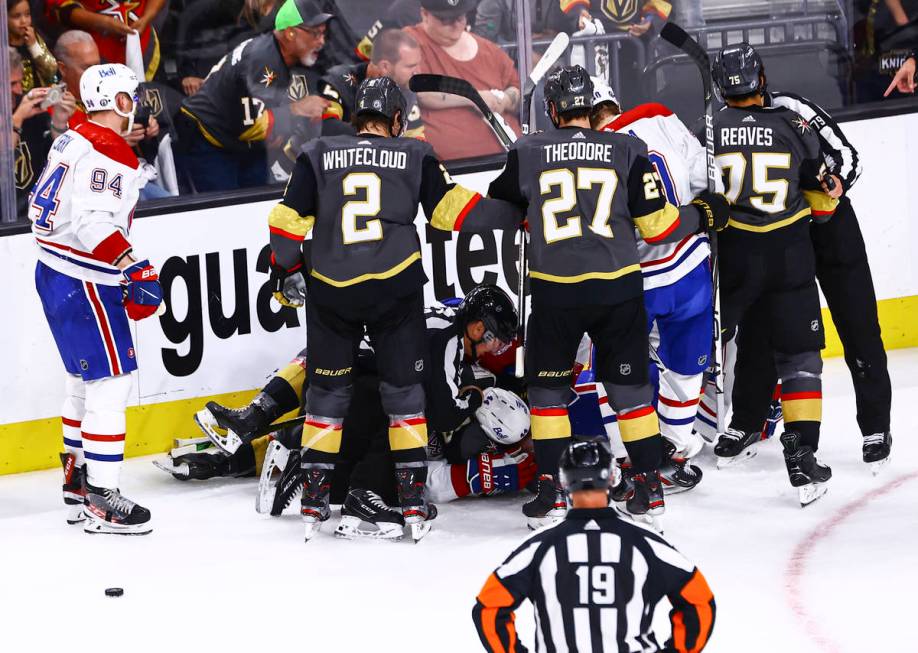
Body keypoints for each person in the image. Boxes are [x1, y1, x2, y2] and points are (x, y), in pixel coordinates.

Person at [266, 76, 522, 541]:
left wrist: (286, 269)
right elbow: (453, 212)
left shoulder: (316, 154)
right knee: (405, 398)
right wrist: (514, 215)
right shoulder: (415, 153)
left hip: (331, 290)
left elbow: (285, 227)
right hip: (394, 288)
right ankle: (410, 504)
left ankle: (314, 501)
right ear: (398, 119)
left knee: (327, 397)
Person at [484, 65, 729, 528]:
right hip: (618, 289)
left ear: (553, 110)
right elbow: (657, 225)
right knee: (631, 391)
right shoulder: (628, 147)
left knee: (548, 395)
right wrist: (702, 214)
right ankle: (649, 490)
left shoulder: (529, 151)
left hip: (557, 294)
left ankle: (553, 495)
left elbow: (502, 210)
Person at [709, 43, 893, 476]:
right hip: (782, 238)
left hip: (829, 230)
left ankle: (876, 427)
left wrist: (835, 182)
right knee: (760, 328)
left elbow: (848, 157)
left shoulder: (792, 110)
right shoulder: (723, 124)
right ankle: (748, 422)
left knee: (858, 323)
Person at [29, 63, 163, 535]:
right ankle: (102, 498)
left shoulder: (74, 135)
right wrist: (132, 265)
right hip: (85, 280)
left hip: (52, 271)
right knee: (111, 382)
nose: (138, 104)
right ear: (118, 101)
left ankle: (77, 483)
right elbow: (92, 224)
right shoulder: (107, 152)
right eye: (133, 96)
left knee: (81, 381)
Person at [709, 43, 841, 506]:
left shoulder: (710, 129)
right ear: (760, 80)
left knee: (732, 340)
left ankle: (735, 429)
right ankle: (802, 452)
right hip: (788, 253)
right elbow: (823, 200)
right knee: (800, 355)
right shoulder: (791, 124)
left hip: (736, 256)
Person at [588, 77, 718, 495]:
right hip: (690, 270)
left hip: (633, 279)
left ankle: (627, 459)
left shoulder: (589, 150)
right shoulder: (661, 118)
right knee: (685, 365)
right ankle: (676, 452)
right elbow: (704, 179)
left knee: (617, 371)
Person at [472, 437, 716, 653]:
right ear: (611, 478)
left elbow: (489, 607)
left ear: (565, 483)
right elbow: (699, 600)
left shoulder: (540, 548)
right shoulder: (646, 544)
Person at [175, 0, 332, 192]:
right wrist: (298, 109)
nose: (321, 42)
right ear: (291, 32)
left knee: (260, 195)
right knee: (225, 210)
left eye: (323, 34)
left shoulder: (277, 51)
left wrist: (278, 128)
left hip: (238, 138)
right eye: (315, 33)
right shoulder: (262, 60)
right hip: (208, 134)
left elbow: (260, 113)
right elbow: (247, 127)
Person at [54, 30, 166, 200]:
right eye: (86, 68)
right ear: (62, 68)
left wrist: (147, 132)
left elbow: (143, 153)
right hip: (92, 196)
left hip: (133, 180)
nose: (95, 75)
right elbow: (63, 168)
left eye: (97, 66)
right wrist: (115, 143)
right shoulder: (53, 109)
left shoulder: (114, 93)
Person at [405, 0, 522, 160]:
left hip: (507, 160)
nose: (455, 25)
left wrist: (505, 100)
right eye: (445, 20)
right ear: (425, 14)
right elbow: (419, 89)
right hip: (444, 171)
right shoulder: (408, 44)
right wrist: (473, 97)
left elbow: (518, 89)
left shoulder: (490, 51)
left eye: (459, 18)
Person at [317, 28, 425, 139]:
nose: (417, 71)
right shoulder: (340, 80)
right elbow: (326, 126)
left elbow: (418, 141)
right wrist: (377, 134)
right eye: (410, 66)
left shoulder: (407, 93)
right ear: (385, 66)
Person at [10, 47, 76, 219]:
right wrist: (17, 119)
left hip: (39, 211)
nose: (18, 90)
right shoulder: (22, 112)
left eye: (20, 82)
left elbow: (60, 158)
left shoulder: (28, 108)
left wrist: (59, 121)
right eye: (11, 84)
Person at [47, 0, 166, 81]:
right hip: (92, 52)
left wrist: (148, 16)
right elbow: (58, 8)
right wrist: (102, 22)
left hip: (142, 47)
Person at [7, 0, 58, 93]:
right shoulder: (3, 45)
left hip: (39, 97)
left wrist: (34, 46)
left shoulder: (34, 37)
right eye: (17, 16)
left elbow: (51, 71)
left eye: (27, 14)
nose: (24, 21)